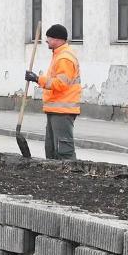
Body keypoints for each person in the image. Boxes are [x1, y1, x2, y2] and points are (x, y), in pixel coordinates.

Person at [25, 24, 81, 160]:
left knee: (63, 150)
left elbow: (60, 83)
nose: (46, 41)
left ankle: (70, 176)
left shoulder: (64, 58)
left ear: (57, 39)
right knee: (51, 148)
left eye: (48, 38)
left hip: (63, 110)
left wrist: (38, 79)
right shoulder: (59, 55)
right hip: (55, 109)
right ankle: (54, 176)